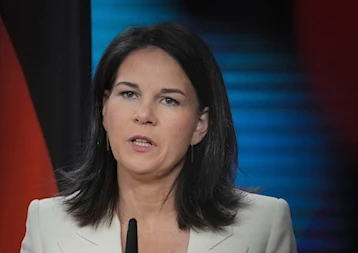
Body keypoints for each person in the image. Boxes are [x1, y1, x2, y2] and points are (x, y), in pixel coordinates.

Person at [20, 21, 297, 253]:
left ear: (200, 124)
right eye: (129, 94)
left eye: (169, 100)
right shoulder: (50, 225)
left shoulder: (263, 225)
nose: (144, 114)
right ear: (104, 109)